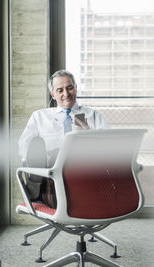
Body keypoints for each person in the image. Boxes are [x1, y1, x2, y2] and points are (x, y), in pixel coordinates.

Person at [18, 69, 108, 208]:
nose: (66, 94)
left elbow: (110, 150)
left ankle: (60, 194)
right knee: (36, 144)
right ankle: (39, 192)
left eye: (69, 88)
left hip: (83, 173)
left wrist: (88, 137)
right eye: (60, 90)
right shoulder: (39, 116)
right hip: (48, 176)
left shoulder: (93, 116)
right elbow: (24, 147)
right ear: (52, 94)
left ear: (76, 88)